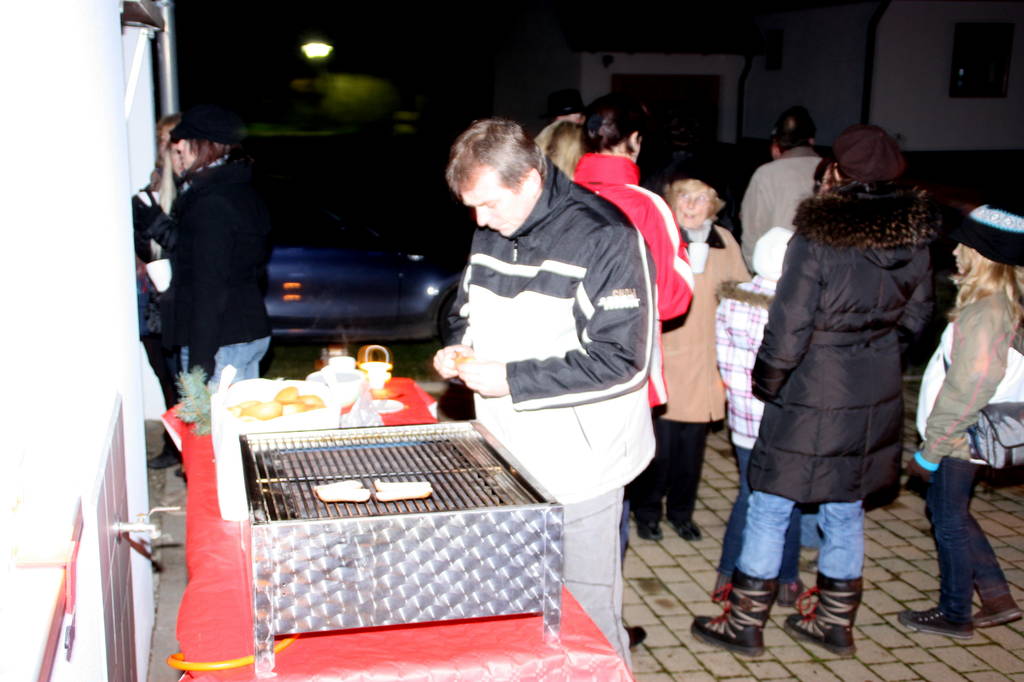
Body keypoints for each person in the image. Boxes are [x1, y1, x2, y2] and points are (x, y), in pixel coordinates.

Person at [691, 124, 938, 657]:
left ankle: (745, 623)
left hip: (808, 390)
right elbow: (918, 316)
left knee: (770, 504)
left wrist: (767, 383)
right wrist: (873, 352)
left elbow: (791, 322)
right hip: (872, 390)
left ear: (839, 172)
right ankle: (834, 624)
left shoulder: (820, 234)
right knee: (844, 507)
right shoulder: (914, 235)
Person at [434, 118, 656, 664]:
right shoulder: (493, 226)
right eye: (471, 207)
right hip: (503, 454)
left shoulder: (605, 236)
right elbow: (464, 308)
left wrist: (509, 378)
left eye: (488, 204)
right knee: (516, 609)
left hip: (581, 466)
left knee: (588, 617)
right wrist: (458, 346)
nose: (479, 220)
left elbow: (624, 361)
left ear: (530, 180)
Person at [900, 202, 1024, 639]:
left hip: (960, 439)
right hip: (965, 436)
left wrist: (931, 452)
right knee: (950, 511)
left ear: (983, 255)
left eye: (964, 243)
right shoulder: (997, 304)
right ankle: (996, 596)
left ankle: (955, 611)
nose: (954, 250)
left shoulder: (986, 314)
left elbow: (968, 389)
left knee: (948, 519)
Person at [628, 177, 747, 541]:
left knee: (691, 452)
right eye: (684, 197)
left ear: (713, 206)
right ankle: (647, 513)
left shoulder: (724, 241)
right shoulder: (659, 235)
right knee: (659, 449)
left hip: (705, 361)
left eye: (701, 199)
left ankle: (682, 513)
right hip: (667, 355)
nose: (692, 205)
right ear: (671, 201)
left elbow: (741, 294)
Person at [573, 92, 694, 410]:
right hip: (626, 370)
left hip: (561, 369)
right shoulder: (648, 207)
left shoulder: (556, 202)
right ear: (635, 139)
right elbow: (672, 299)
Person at [713, 226, 803, 605]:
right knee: (789, 498)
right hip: (784, 422)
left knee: (748, 495)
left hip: (744, 419)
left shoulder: (732, 302)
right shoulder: (793, 309)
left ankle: (726, 575)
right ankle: (786, 579)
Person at [164, 104, 272, 386]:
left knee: (213, 428)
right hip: (244, 329)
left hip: (221, 341)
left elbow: (209, 286)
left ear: (197, 146)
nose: (180, 154)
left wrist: (200, 366)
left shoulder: (210, 202)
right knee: (239, 426)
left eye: (182, 146)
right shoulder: (240, 188)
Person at [739, 106, 819, 268]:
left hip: (778, 270)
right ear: (812, 141)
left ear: (775, 145)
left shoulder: (766, 174)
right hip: (823, 270)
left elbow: (752, 232)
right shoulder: (831, 171)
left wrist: (754, 270)